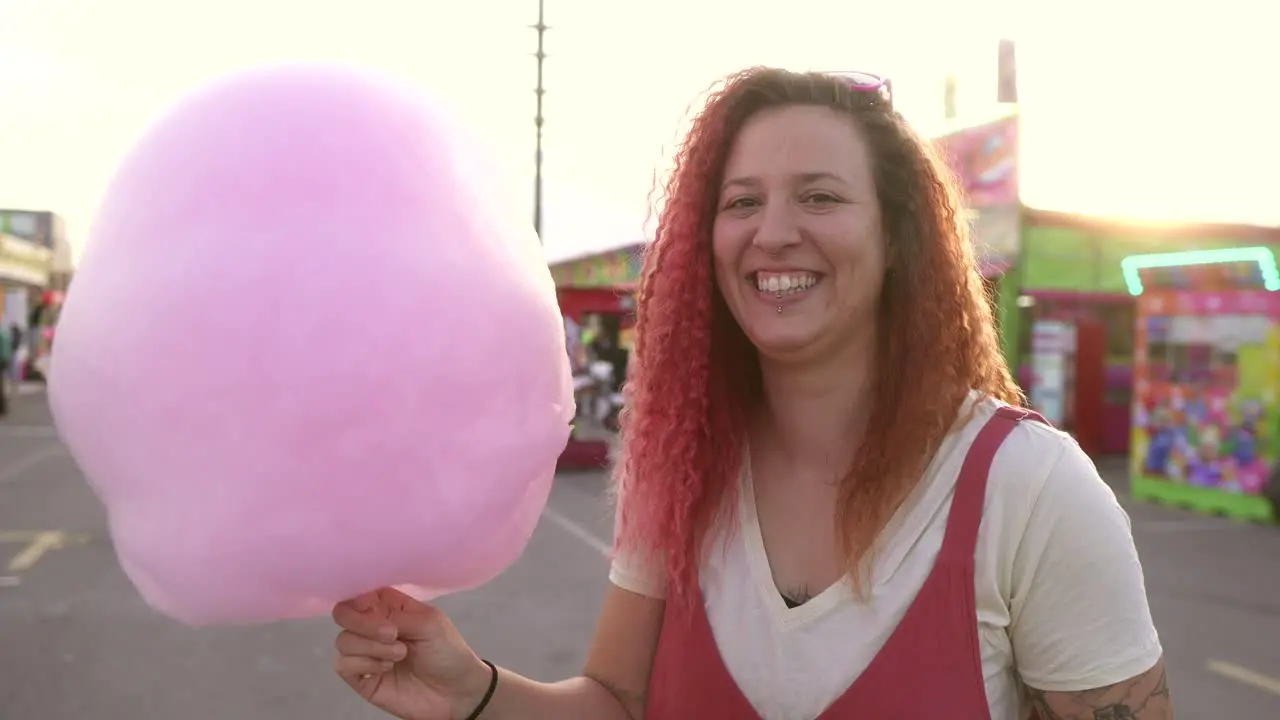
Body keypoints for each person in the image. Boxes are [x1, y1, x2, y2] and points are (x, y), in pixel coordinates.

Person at [332, 67, 1171, 720]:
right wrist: (469, 691)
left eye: (820, 196)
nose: (773, 232)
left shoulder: (1030, 490)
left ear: (897, 241)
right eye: (742, 202)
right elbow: (619, 703)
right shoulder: (682, 471)